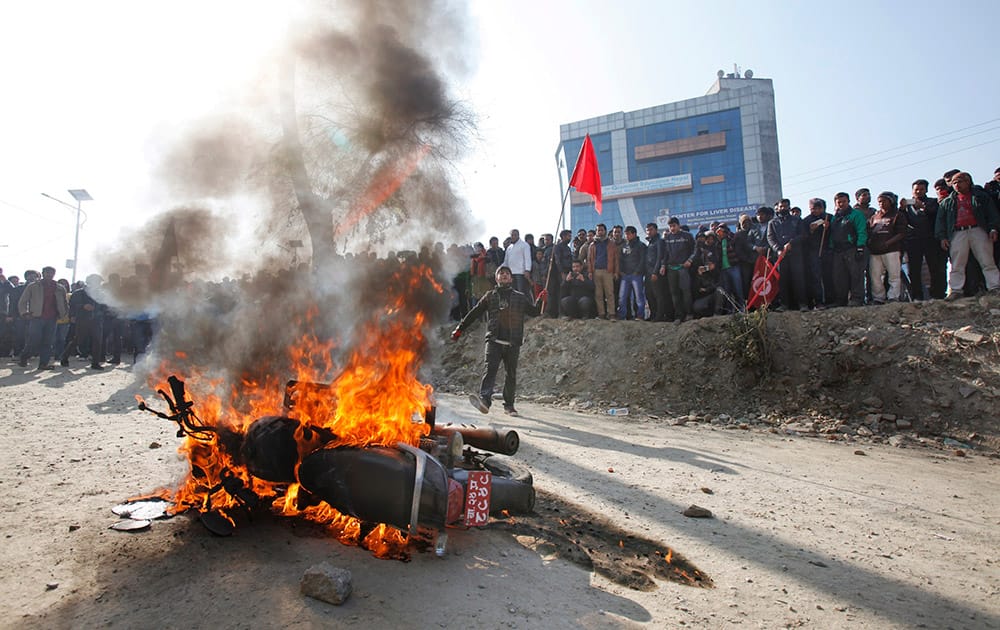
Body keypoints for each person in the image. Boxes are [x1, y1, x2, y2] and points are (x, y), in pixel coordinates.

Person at [451, 266, 546, 416]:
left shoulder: (520, 297)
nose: (504, 275)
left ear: (511, 278)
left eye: (507, 273)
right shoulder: (490, 296)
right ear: (496, 278)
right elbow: (474, 313)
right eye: (501, 274)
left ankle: (509, 406)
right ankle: (485, 401)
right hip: (494, 340)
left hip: (513, 342)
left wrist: (541, 300)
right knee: (490, 370)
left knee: (511, 374)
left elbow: (534, 312)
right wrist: (460, 329)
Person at [935, 172, 1000, 299]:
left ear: (968, 181)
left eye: (959, 181)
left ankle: (994, 287)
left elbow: (992, 214)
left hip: (978, 230)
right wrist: (942, 237)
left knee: (987, 260)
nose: (956, 185)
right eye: (954, 183)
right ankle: (955, 290)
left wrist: (993, 228)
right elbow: (940, 221)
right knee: (957, 263)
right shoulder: (947, 202)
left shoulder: (981, 197)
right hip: (958, 233)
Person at [17, 266, 68, 369]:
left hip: (52, 318)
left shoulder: (59, 288)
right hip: (37, 317)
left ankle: (43, 364)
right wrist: (24, 313)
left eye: (51, 273)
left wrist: (63, 313)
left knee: (48, 342)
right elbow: (23, 301)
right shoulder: (33, 286)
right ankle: (24, 356)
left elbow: (64, 302)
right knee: (34, 340)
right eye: (47, 273)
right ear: (43, 273)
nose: (49, 275)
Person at [903, 179, 946, 300]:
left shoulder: (932, 202)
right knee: (914, 269)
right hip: (913, 240)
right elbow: (902, 219)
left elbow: (935, 215)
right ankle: (917, 296)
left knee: (934, 267)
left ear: (926, 190)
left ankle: (937, 294)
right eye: (916, 189)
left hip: (930, 238)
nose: (919, 192)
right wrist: (902, 208)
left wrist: (922, 207)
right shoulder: (907, 203)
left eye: (921, 189)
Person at [829, 192, 869, 307]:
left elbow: (862, 230)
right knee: (839, 276)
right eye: (839, 202)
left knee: (856, 275)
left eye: (844, 201)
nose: (841, 204)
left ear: (848, 201)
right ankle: (841, 300)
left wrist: (860, 247)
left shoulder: (856, 215)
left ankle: (857, 299)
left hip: (852, 248)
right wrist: (831, 247)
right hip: (838, 250)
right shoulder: (834, 218)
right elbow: (832, 234)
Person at [867, 192, 907, 303]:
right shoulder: (874, 217)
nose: (881, 203)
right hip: (875, 251)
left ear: (891, 201)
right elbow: (869, 231)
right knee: (875, 276)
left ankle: (893, 297)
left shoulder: (897, 215)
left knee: (894, 275)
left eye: (884, 201)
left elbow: (902, 233)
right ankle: (878, 298)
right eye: (879, 201)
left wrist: (888, 243)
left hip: (891, 249)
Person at [587, 223, 619, 320]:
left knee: (609, 293)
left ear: (605, 231)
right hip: (596, 271)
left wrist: (616, 272)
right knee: (598, 294)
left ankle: (612, 314)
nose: (600, 232)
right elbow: (589, 259)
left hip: (608, 271)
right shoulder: (592, 245)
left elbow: (616, 259)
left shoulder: (611, 244)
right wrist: (590, 272)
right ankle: (601, 314)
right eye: (598, 230)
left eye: (602, 230)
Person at [616, 226, 646, 320]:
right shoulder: (624, 246)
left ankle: (640, 316)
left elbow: (643, 260)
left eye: (628, 233)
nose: (626, 235)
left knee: (639, 297)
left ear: (634, 234)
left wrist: (638, 271)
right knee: (622, 297)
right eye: (625, 234)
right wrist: (621, 271)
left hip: (636, 275)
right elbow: (620, 260)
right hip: (625, 276)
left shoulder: (641, 245)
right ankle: (621, 316)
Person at [502, 229, 532, 295]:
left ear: (518, 235)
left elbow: (527, 258)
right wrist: (500, 269)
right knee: (513, 292)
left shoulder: (524, 245)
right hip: (511, 273)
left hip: (521, 273)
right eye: (512, 235)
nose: (513, 237)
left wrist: (527, 270)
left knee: (521, 292)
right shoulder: (509, 248)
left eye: (515, 235)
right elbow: (506, 261)